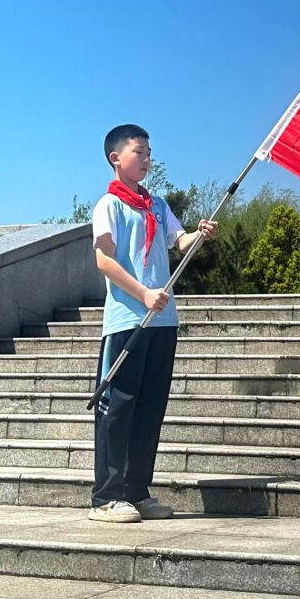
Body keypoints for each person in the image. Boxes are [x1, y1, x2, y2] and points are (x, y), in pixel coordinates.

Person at [88, 124, 217, 523]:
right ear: (116, 158)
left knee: (150, 407)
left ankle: (138, 490)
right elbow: (104, 260)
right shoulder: (108, 206)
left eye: (148, 153)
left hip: (163, 321)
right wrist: (143, 293)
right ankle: (106, 497)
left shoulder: (157, 206)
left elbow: (179, 242)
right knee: (118, 406)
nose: (146, 159)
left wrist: (200, 234)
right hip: (129, 319)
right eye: (139, 152)